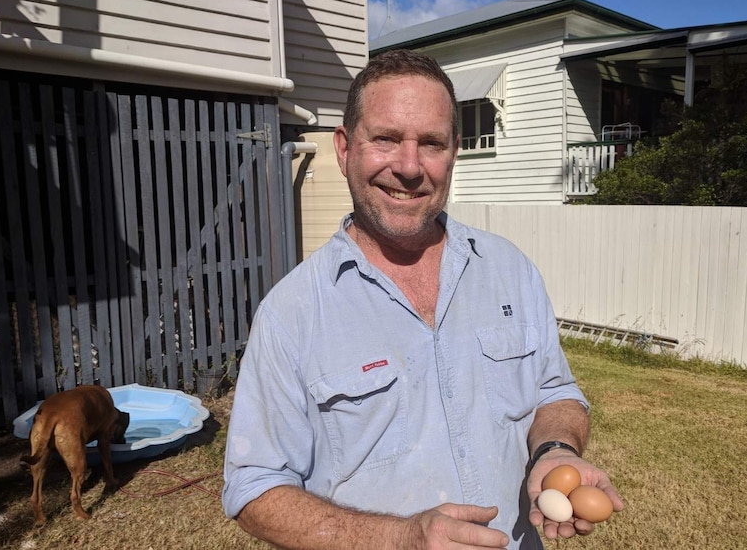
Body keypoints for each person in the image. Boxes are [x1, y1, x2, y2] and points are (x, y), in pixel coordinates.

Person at [222, 49, 623, 549]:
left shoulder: (508, 270)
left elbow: (554, 392)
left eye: (430, 143)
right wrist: (400, 538)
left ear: (454, 150)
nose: (409, 167)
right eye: (386, 139)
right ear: (345, 149)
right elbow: (254, 488)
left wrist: (557, 449)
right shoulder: (292, 312)